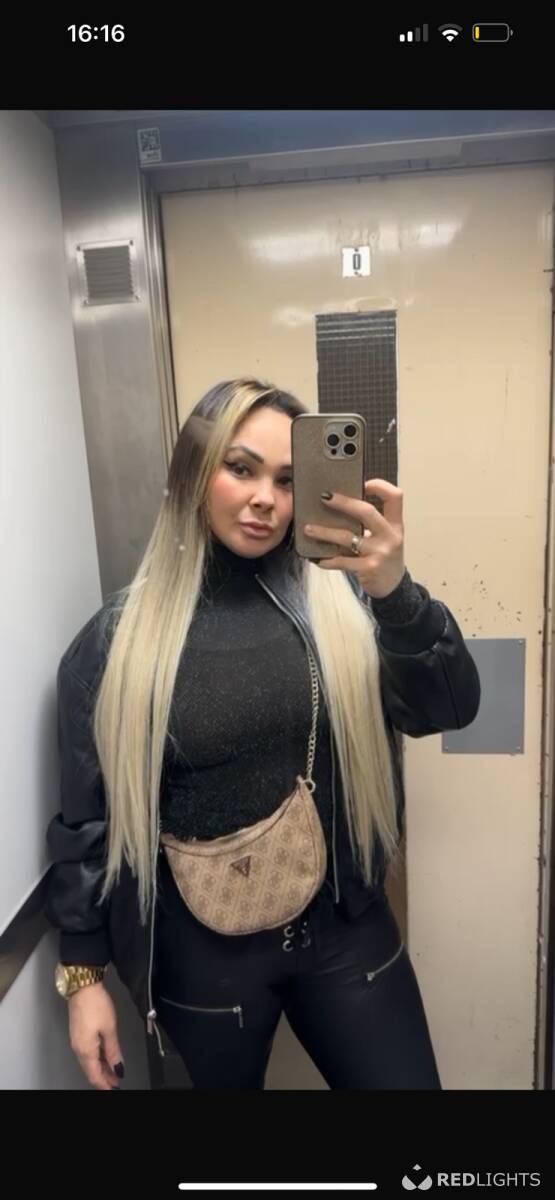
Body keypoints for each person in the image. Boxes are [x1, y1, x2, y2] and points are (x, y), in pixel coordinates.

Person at [46, 377, 481, 1090]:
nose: (264, 499)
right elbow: (88, 823)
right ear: (195, 471)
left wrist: (396, 592)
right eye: (240, 468)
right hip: (201, 959)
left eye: (286, 479)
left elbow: (448, 708)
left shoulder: (346, 603)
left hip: (347, 934)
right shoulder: (119, 643)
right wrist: (83, 975)